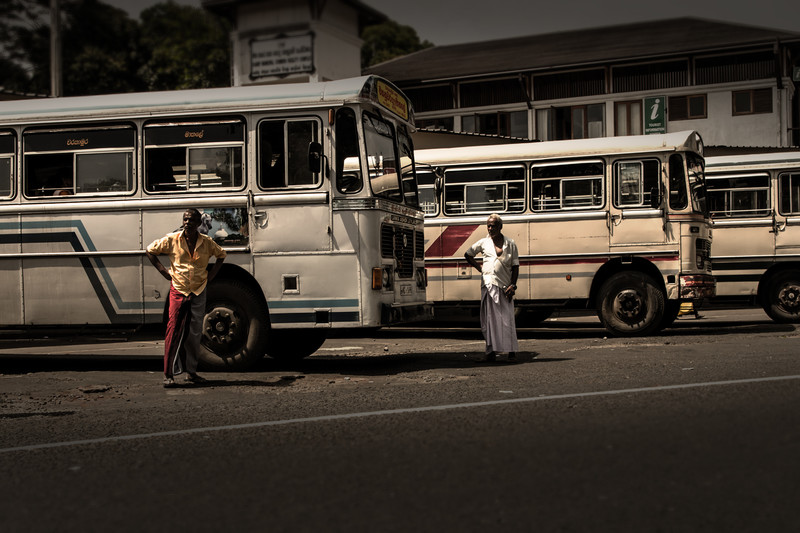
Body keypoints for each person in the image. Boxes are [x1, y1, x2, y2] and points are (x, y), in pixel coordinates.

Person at [146, 208, 226, 387]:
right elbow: (150, 250)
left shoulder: (206, 242)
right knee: (173, 329)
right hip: (179, 289)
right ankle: (169, 374)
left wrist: (212, 275)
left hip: (199, 290)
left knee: (195, 332)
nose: (187, 222)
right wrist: (163, 271)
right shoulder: (172, 239)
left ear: (199, 224)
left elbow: (221, 255)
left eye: (191, 220)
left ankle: (191, 372)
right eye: (185, 219)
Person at [464, 213, 520, 362]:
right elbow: (468, 254)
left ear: (500, 227)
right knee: (489, 320)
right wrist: (479, 268)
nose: (490, 228)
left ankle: (511, 351)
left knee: (507, 319)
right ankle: (490, 352)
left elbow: (515, 267)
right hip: (488, 284)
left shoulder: (510, 243)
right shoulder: (483, 243)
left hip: (505, 286)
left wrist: (513, 285)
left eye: (493, 226)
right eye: (488, 226)